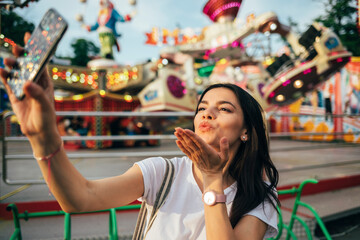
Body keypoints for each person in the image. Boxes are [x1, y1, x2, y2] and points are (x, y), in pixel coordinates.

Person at [1, 39, 280, 239]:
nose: (207, 114)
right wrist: (44, 137)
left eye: (224, 109)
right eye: (202, 108)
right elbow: (79, 198)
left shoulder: (260, 193)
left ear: (246, 130)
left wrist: (212, 179)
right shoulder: (163, 172)